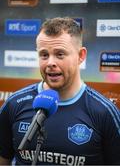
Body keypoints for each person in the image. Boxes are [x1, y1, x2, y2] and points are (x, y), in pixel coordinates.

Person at [0, 17, 120, 165]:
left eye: (60, 54)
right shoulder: (14, 104)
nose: (50, 63)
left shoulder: (104, 112)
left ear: (81, 56)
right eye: (44, 55)